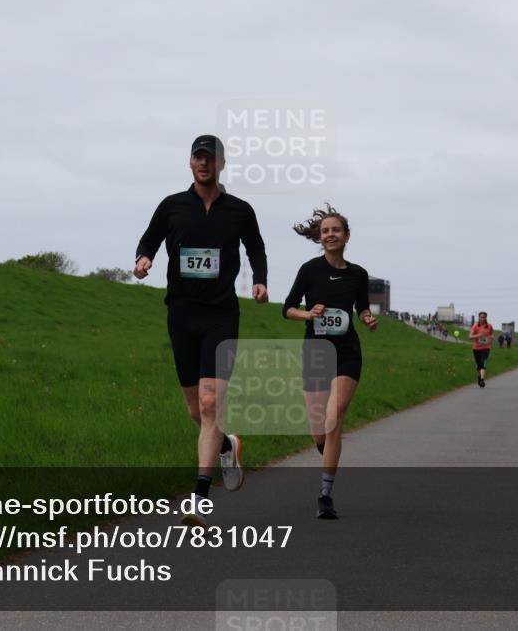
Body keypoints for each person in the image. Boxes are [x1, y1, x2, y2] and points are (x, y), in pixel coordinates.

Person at [134, 134, 269, 526]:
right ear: (190, 163)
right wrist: (143, 258)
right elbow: (150, 239)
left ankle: (198, 499)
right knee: (195, 409)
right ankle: (228, 445)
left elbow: (256, 247)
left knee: (211, 404)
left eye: (210, 158)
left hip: (221, 315)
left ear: (222, 164)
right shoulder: (172, 206)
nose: (204, 163)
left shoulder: (240, 210)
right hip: (181, 312)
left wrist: (259, 279)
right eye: (198, 157)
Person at [283, 204, 377, 520]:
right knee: (320, 431)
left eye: (335, 229)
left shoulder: (358, 274)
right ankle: (329, 451)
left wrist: (367, 317)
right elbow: (288, 308)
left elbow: (362, 307)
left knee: (334, 417)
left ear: (346, 235)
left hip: (347, 352)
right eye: (325, 231)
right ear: (320, 237)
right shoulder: (309, 270)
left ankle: (325, 494)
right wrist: (307, 314)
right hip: (316, 351)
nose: (330, 234)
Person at [469, 311, 494, 387]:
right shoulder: (475, 326)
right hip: (476, 348)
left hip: (486, 348)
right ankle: (479, 377)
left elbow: (491, 335)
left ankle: (482, 380)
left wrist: (491, 338)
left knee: (483, 363)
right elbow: (470, 337)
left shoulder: (489, 326)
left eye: (484, 317)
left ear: (486, 317)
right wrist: (478, 335)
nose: (482, 318)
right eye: (481, 317)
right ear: (479, 317)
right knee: (478, 366)